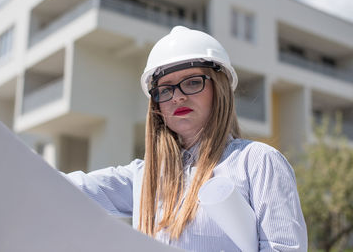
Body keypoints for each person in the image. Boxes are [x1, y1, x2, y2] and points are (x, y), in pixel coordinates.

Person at [64, 26, 308, 251]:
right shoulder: (144, 177)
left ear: (219, 89)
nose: (177, 97)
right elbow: (66, 187)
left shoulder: (257, 162)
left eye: (192, 82)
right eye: (165, 89)